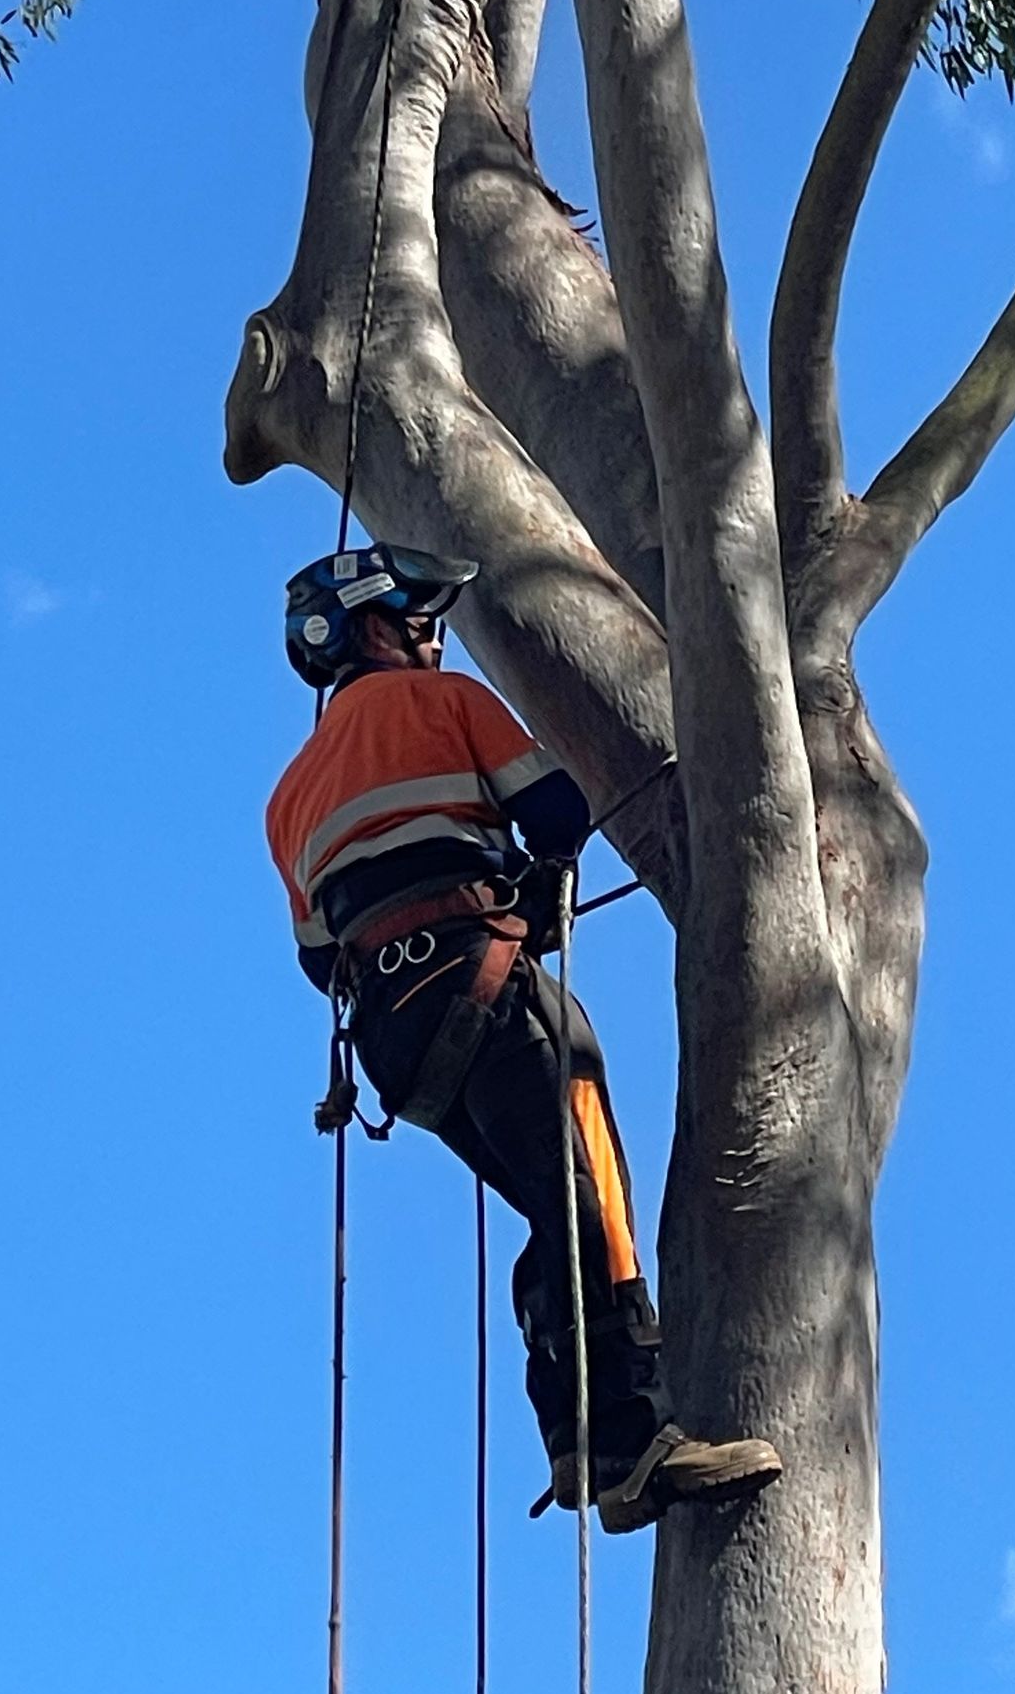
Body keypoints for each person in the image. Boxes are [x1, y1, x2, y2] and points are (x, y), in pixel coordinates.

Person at [265, 542, 782, 1534]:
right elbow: (555, 810)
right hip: (488, 987)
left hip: (401, 1047)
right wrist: (528, 885)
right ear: (378, 627)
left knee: (555, 1208)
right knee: (590, 1184)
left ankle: (580, 1438)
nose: (433, 635)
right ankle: (634, 1436)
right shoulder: (445, 702)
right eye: (420, 618)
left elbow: (319, 958)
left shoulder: (288, 797)